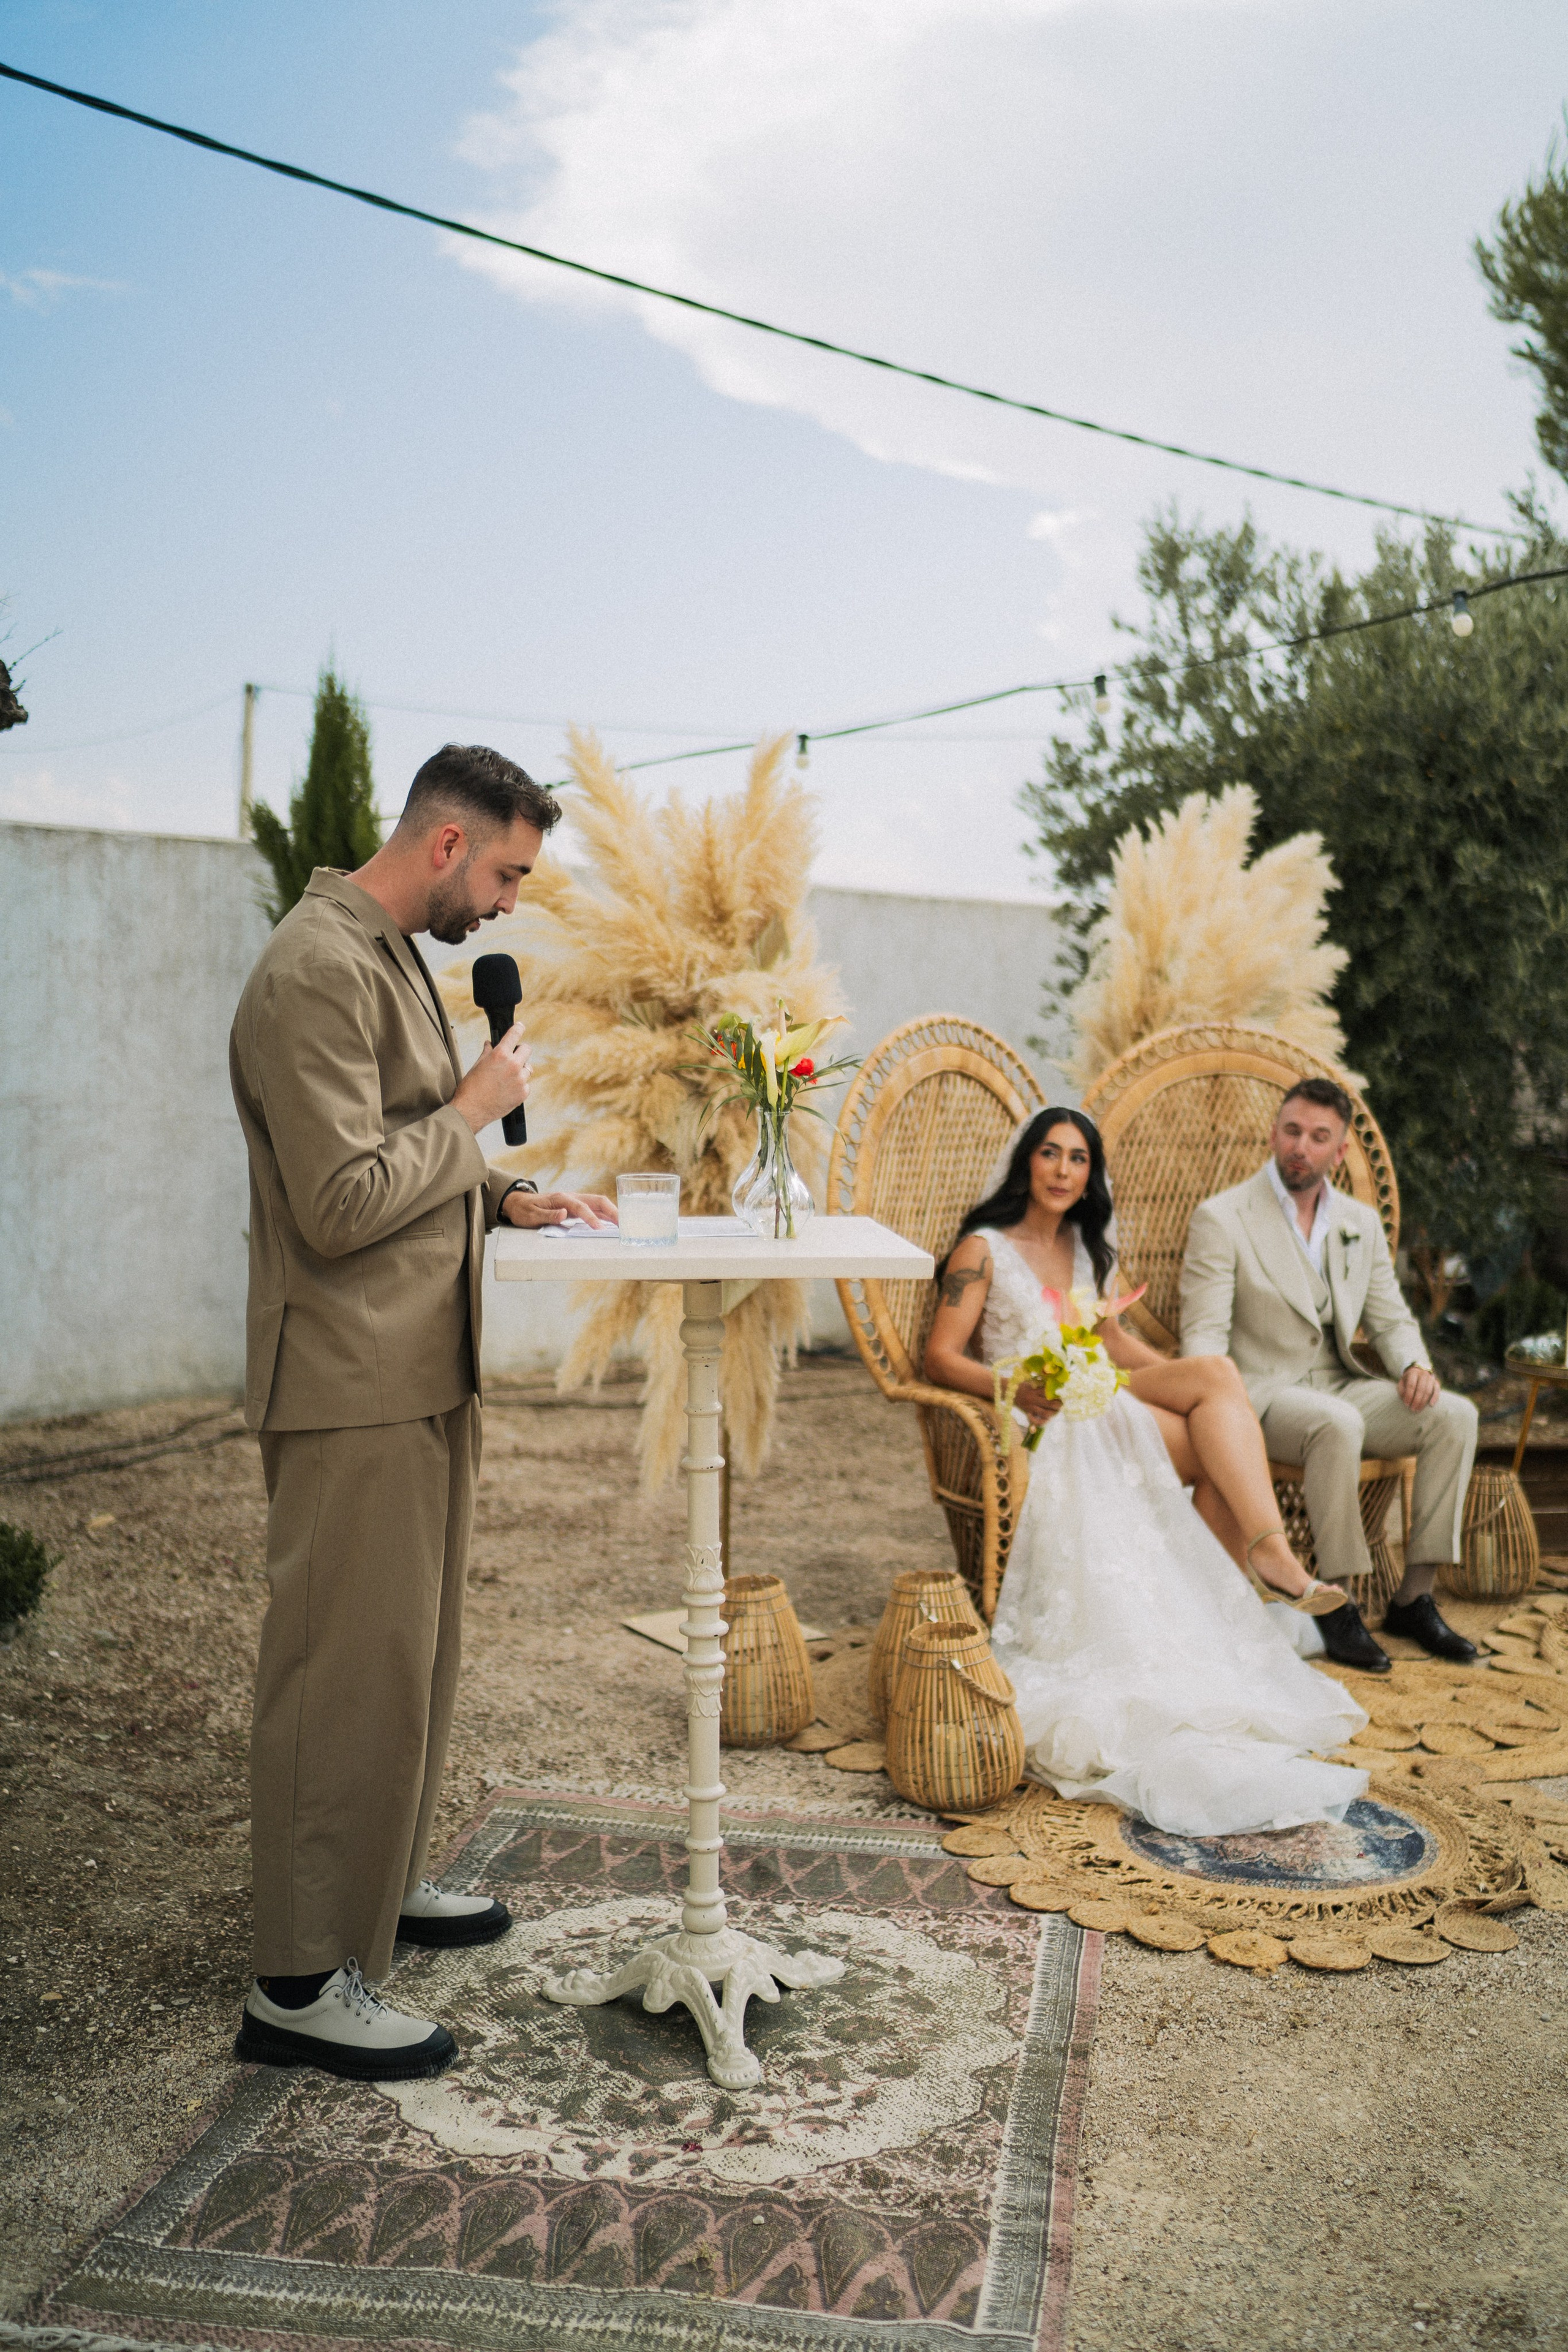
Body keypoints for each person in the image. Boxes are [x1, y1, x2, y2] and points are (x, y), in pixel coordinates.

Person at [228, 742, 617, 2080]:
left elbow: (401, 1145)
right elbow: (339, 1203)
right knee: (339, 1665)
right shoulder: (314, 967)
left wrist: (508, 1194)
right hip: (345, 1380)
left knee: (408, 1659)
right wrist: (474, 1112)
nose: (510, 901)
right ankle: (295, 1979)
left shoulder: (390, 955)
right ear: (446, 844)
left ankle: (369, 1892)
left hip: (414, 1367)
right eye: (508, 871)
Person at [924, 1108, 1369, 1837]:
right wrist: (1012, 1386)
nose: (1064, 1171)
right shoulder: (983, 1250)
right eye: (1050, 1154)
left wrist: (1200, 1386)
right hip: (1046, 1417)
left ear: (1090, 1174)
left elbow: (1117, 1347)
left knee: (1217, 1392)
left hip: (1102, 1397)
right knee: (1218, 1411)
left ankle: (1262, 1559)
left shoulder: (1085, 1247)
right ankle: (1269, 1561)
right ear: (1026, 1163)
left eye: (1078, 1159)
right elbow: (940, 1357)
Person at [1180, 1078, 1480, 1676]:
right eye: (1292, 1131)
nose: (1301, 1147)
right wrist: (1217, 1418)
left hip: (1339, 1383)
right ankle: (1334, 1602)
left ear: (1338, 1152)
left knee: (1454, 1415)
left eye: (1319, 1138)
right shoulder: (1222, 1218)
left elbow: (1390, 1318)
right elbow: (1204, 1345)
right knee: (1336, 1423)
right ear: (1274, 1134)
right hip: (1258, 1397)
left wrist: (1413, 1365)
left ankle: (1412, 1598)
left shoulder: (1358, 1223)